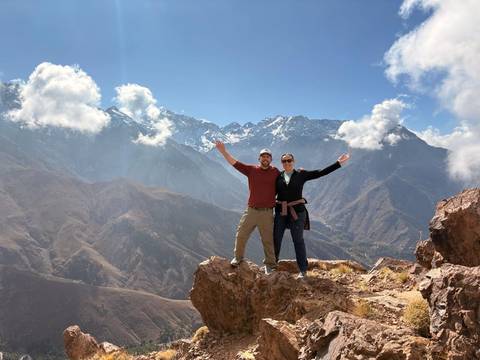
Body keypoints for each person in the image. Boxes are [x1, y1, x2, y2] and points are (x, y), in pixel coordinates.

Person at [274, 152, 350, 279]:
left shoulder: (301, 174)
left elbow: (320, 173)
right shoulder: (278, 176)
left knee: (298, 240)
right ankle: (272, 266)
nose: (287, 163)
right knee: (276, 239)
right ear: (281, 163)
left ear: (294, 161)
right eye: (284, 161)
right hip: (281, 211)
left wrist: (338, 163)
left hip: (297, 212)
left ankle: (303, 270)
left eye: (289, 160)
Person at [215, 140, 280, 274]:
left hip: (267, 212)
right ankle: (238, 258)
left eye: (268, 156)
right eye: (263, 156)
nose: (265, 158)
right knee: (241, 235)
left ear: (271, 159)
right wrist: (223, 152)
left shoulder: (276, 172)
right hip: (251, 210)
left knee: (267, 240)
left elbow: (286, 182)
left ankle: (270, 264)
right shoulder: (251, 170)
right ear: (259, 159)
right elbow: (235, 163)